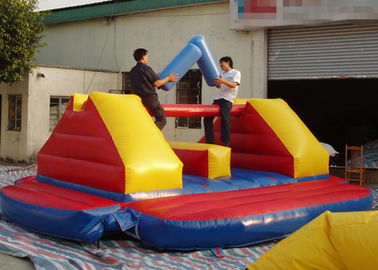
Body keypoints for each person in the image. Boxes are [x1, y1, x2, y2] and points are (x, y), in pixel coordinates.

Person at [129, 48, 178, 130]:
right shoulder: (146, 68)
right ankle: (150, 133)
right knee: (162, 120)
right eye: (147, 56)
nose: (147, 58)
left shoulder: (132, 71)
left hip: (138, 99)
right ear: (144, 56)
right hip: (150, 99)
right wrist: (168, 78)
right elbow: (157, 83)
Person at [204, 56, 241, 147]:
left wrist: (223, 81)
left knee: (225, 119)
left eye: (222, 63)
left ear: (228, 62)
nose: (221, 66)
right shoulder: (221, 74)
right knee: (207, 118)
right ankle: (210, 141)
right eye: (220, 64)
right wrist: (217, 84)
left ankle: (226, 141)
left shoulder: (236, 72)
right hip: (218, 98)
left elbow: (233, 85)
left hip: (228, 99)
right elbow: (220, 87)